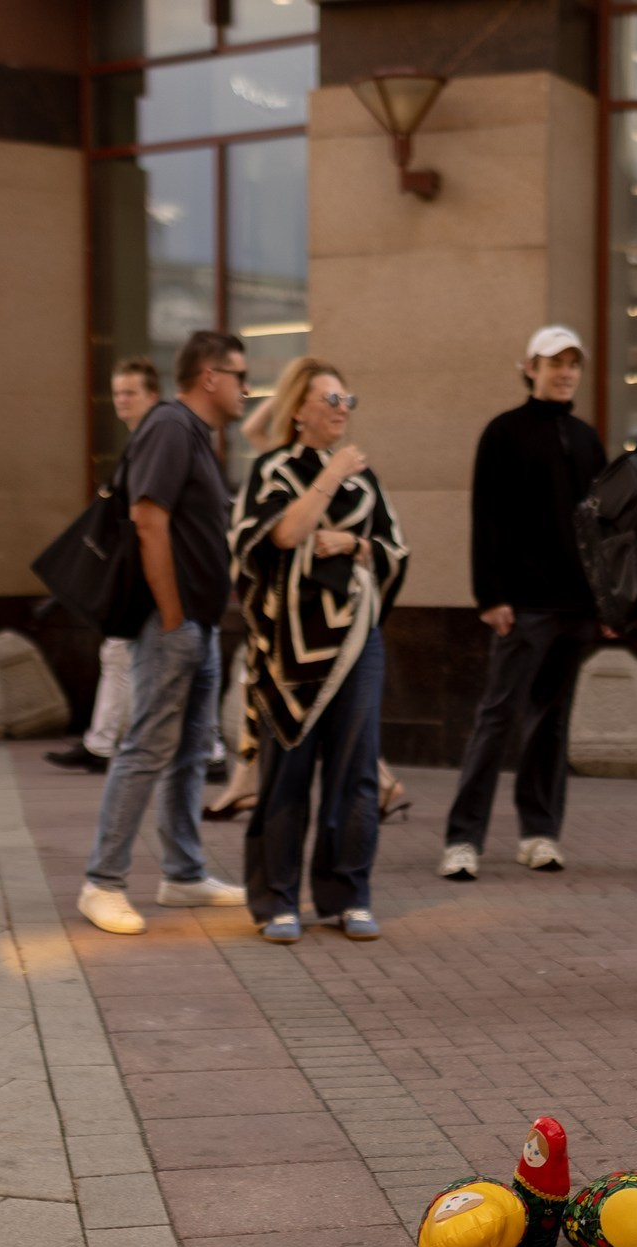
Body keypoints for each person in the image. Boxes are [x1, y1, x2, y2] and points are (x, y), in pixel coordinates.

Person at [77, 330, 251, 934]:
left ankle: (183, 873)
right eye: (239, 375)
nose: (246, 388)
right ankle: (102, 882)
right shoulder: (172, 427)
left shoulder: (195, 435)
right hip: (169, 623)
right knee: (147, 747)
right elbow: (148, 519)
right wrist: (174, 615)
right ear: (209, 376)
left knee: (189, 753)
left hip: (198, 624)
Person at [231, 359, 409, 941]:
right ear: (298, 410)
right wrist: (330, 477)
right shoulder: (274, 470)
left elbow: (393, 550)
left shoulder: (367, 480)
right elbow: (277, 536)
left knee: (356, 775)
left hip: (358, 640)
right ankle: (277, 900)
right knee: (287, 772)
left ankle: (347, 894)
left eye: (346, 399)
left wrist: (353, 543)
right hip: (289, 646)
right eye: (329, 399)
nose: (341, 409)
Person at [439, 326, 607, 880]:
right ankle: (463, 839)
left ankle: (540, 833)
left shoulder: (587, 439)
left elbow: (603, 530)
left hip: (576, 608)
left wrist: (606, 604)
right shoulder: (503, 433)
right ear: (529, 368)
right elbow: (485, 517)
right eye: (553, 362)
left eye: (572, 363)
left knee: (551, 722)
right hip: (523, 605)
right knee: (497, 717)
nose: (565, 372)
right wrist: (490, 596)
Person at [50, 358, 164, 776]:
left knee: (164, 662)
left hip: (152, 573)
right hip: (137, 570)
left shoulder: (155, 443)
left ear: (152, 395)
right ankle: (101, 742)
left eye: (130, 392)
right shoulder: (141, 443)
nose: (121, 400)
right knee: (119, 654)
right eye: (117, 393)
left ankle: (209, 750)